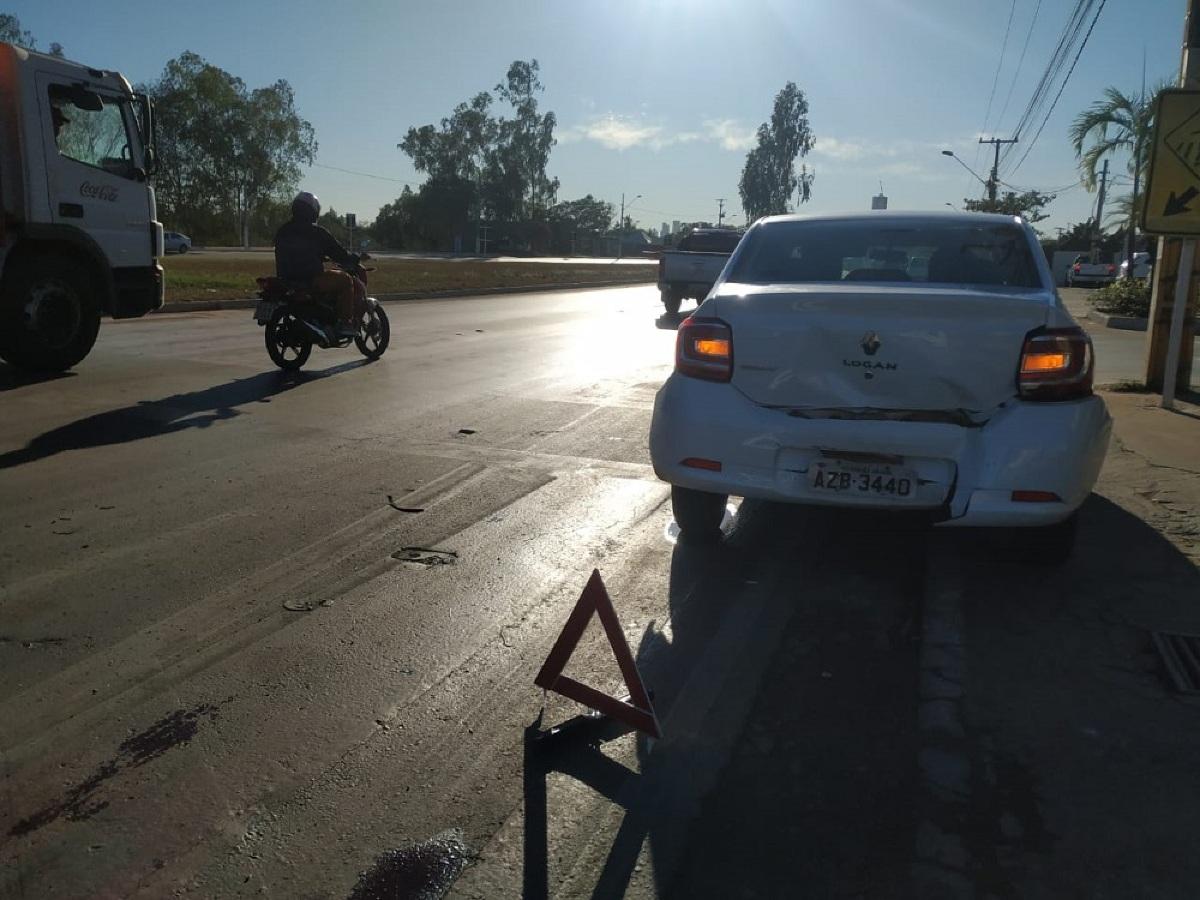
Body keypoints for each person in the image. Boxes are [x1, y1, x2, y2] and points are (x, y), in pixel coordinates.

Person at [273, 191, 361, 337]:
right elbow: (339, 254)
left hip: (286, 280)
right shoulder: (317, 232)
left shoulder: (283, 230)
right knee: (346, 280)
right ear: (313, 211)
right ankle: (345, 323)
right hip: (310, 279)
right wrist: (354, 258)